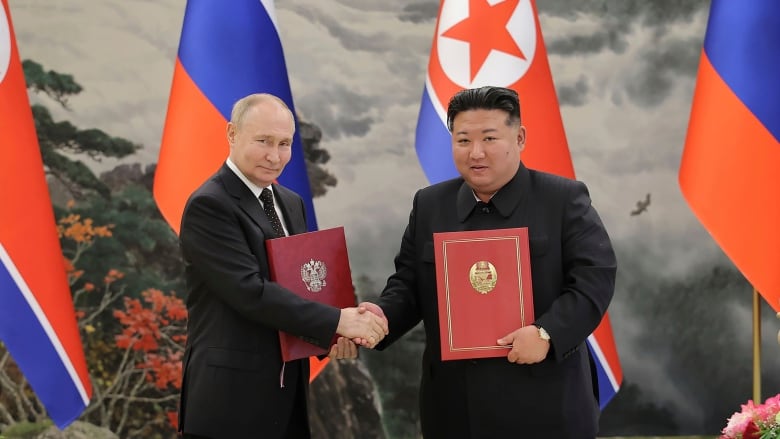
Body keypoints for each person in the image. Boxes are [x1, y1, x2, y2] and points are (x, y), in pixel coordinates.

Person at [361, 86, 617, 438]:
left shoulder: (562, 199)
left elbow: (594, 280)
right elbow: (408, 285)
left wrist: (547, 333)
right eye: (463, 140)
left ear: (520, 137)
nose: (476, 153)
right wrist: (380, 316)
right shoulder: (431, 205)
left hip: (546, 402)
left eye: (490, 138)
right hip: (455, 406)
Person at [177, 93, 387, 439]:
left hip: (287, 397)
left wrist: (333, 336)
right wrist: (338, 320)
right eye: (263, 141)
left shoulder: (290, 202)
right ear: (232, 133)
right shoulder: (209, 205)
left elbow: (301, 288)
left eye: (285, 144)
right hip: (229, 404)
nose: (275, 156)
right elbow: (250, 293)